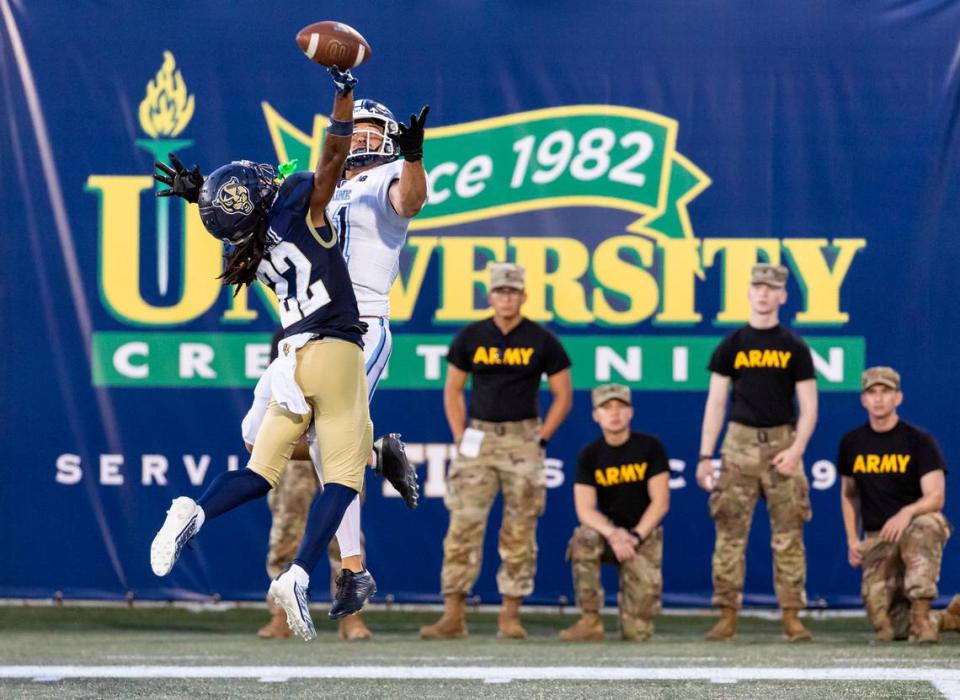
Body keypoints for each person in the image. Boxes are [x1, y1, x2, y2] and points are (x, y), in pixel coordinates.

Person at [149, 66, 378, 641]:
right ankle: (298, 574)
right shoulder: (300, 202)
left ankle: (193, 513)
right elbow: (332, 157)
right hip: (335, 351)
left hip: (288, 365)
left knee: (259, 471)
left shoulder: (246, 244)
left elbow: (238, 210)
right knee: (345, 477)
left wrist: (198, 195)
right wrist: (344, 93)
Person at [244, 105, 429, 640]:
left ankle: (353, 570)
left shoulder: (388, 176)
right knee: (254, 437)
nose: (362, 138)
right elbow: (253, 212)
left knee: (329, 444)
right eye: (357, 128)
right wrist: (199, 194)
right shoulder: (318, 185)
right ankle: (378, 453)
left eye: (374, 130)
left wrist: (414, 156)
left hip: (361, 325)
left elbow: (410, 200)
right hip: (305, 328)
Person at [420, 262, 573, 640]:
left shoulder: (542, 339)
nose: (506, 297)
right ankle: (453, 615)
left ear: (524, 296)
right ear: (490, 296)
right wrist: (460, 435)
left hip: (523, 441)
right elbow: (453, 390)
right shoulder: (471, 337)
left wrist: (541, 438)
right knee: (462, 528)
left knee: (520, 531)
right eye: (500, 291)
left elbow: (563, 395)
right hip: (479, 440)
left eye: (513, 291)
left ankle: (510, 615)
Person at [695, 263, 818, 642]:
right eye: (758, 287)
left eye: (772, 288)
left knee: (789, 535)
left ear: (783, 296)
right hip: (738, 446)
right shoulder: (732, 344)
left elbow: (810, 406)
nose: (764, 294)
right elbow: (716, 403)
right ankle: (727, 614)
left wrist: (797, 450)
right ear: (748, 292)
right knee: (730, 534)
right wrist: (705, 456)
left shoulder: (794, 346)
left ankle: (792, 616)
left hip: (783, 444)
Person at [838, 366, 951, 644]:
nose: (878, 399)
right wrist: (853, 539)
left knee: (925, 525)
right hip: (879, 538)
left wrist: (907, 512)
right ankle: (947, 618)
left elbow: (936, 497)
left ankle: (924, 617)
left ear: (898, 398)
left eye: (886, 392)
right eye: (872, 393)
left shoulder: (919, 441)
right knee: (888, 629)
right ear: (863, 400)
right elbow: (849, 494)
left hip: (915, 527)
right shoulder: (853, 442)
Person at [559, 383, 670, 642]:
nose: (615, 413)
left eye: (621, 407)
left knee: (637, 634)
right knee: (584, 537)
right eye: (606, 408)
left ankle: (633, 619)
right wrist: (613, 534)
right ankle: (590, 620)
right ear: (596, 415)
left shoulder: (650, 447)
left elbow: (661, 502)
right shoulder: (589, 455)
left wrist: (635, 536)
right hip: (610, 535)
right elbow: (584, 509)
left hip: (643, 537)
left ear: (631, 412)